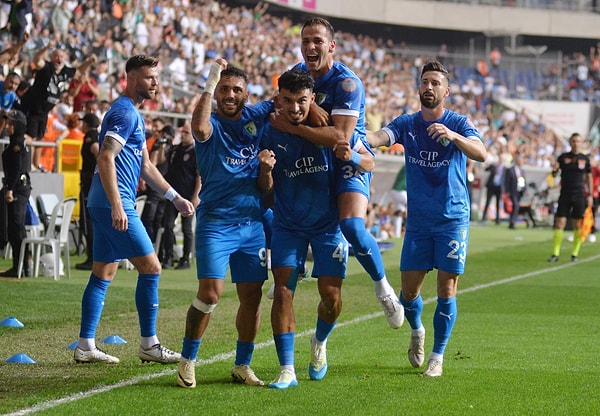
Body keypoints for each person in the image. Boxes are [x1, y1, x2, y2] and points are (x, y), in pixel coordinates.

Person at [271, 17, 403, 329]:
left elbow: (340, 137)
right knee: (274, 204)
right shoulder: (298, 75)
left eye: (317, 41)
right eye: (306, 41)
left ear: (331, 46)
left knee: (352, 225)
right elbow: (278, 104)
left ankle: (383, 288)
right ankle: (289, 268)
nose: (310, 47)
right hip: (315, 159)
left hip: (348, 157)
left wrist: (299, 124)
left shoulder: (348, 83)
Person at [366, 61, 487, 377]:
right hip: (419, 222)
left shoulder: (458, 122)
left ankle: (438, 355)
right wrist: (360, 137)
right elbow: (382, 135)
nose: (429, 87)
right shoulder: (408, 124)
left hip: (452, 218)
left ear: (446, 91)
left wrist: (453, 136)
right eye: (424, 82)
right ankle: (417, 330)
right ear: (418, 88)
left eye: (435, 82)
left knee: (447, 289)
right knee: (408, 294)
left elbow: (482, 153)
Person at [75, 55, 195, 364]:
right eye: (148, 77)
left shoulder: (134, 115)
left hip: (104, 202)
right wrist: (117, 204)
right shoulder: (125, 113)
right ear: (130, 78)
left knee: (105, 270)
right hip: (113, 202)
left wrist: (175, 197)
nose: (155, 82)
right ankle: (148, 344)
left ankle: (85, 345)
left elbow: (146, 166)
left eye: (156, 77)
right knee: (152, 267)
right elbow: (104, 158)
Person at [177, 59, 272, 389]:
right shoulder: (211, 124)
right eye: (224, 89)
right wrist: (209, 80)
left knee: (252, 297)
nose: (230, 94)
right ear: (215, 93)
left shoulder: (257, 118)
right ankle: (188, 360)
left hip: (252, 224)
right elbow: (199, 128)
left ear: (246, 95)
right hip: (216, 223)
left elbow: (291, 96)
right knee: (210, 294)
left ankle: (242, 365)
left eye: (237, 90)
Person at [258, 69, 348, 389]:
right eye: (288, 101)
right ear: (278, 98)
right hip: (288, 223)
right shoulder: (269, 129)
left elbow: (341, 138)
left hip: (328, 225)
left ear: (312, 100)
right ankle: (286, 369)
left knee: (331, 298)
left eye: (301, 101)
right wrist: (266, 171)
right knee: (282, 289)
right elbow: (265, 188)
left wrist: (299, 127)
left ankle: (319, 343)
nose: (295, 108)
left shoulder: (324, 123)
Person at [16, 41, 96, 171]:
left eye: (62, 56)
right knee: (29, 136)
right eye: (56, 56)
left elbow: (79, 71)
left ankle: (34, 165)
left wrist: (89, 61)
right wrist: (46, 47)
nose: (59, 58)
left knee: (40, 138)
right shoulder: (46, 67)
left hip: (44, 112)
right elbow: (37, 59)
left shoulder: (65, 72)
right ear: (51, 57)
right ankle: (24, 163)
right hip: (32, 107)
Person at [548, 133, 593, 263]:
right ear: (570, 142)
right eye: (573, 141)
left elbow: (589, 177)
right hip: (565, 194)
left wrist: (590, 194)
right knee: (559, 223)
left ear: (581, 143)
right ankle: (555, 253)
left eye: (578, 141)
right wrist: (555, 169)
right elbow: (554, 174)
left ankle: (575, 253)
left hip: (579, 194)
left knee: (577, 224)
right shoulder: (563, 158)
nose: (575, 143)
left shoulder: (585, 159)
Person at [161, 122, 200, 270]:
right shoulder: (175, 150)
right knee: (168, 225)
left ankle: (185, 259)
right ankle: (168, 257)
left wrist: (195, 196)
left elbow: (199, 176)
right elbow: (162, 161)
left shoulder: (196, 152)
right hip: (173, 195)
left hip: (188, 196)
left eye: (186, 133)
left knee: (187, 228)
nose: (183, 135)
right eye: (182, 132)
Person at [0, 109, 31, 277]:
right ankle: (21, 266)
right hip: (18, 188)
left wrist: (10, 188)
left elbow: (18, 169)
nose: (8, 126)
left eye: (11, 123)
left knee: (16, 228)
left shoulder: (17, 143)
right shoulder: (16, 142)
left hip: (17, 189)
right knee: (14, 228)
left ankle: (21, 267)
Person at [75, 112, 100, 270]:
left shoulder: (91, 137)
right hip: (92, 182)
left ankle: (92, 258)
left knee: (87, 222)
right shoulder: (96, 135)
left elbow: (98, 153)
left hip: (89, 183)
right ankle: (94, 257)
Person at [504, 153, 526, 229]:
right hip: (512, 191)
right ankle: (512, 222)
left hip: (519, 191)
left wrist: (524, 189)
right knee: (516, 205)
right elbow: (506, 181)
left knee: (516, 206)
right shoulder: (510, 170)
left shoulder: (521, 170)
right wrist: (507, 191)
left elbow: (523, 180)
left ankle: (512, 222)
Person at [481, 160, 504, 224]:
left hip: (498, 187)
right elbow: (486, 169)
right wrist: (492, 164)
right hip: (491, 186)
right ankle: (483, 218)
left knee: (498, 203)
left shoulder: (504, 168)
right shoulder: (493, 167)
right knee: (487, 202)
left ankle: (497, 219)